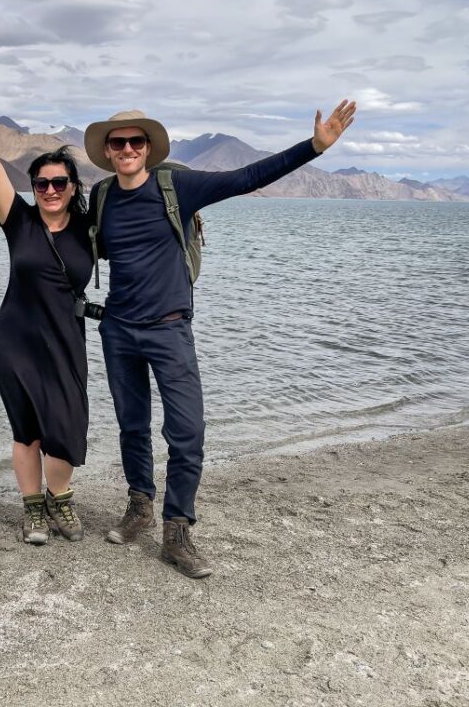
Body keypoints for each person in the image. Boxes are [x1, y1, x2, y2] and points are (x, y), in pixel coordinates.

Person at [84, 100, 357, 578]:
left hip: (170, 328)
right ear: (107, 152)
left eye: (135, 141)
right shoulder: (102, 196)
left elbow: (247, 177)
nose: (126, 148)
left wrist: (314, 147)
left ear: (148, 148)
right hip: (119, 330)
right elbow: (70, 240)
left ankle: (177, 529)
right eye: (117, 142)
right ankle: (139, 506)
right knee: (132, 426)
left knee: (187, 432)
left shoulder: (177, 187)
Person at [0, 75, 94, 545]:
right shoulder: (18, 220)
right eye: (41, 183)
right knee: (26, 429)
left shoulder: (89, 229)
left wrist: (181, 217)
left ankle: (60, 498)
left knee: (66, 424)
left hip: (65, 340)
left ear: (72, 187)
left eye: (58, 182)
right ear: (33, 187)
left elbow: (135, 226)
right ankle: (33, 510)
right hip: (15, 341)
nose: (49, 189)